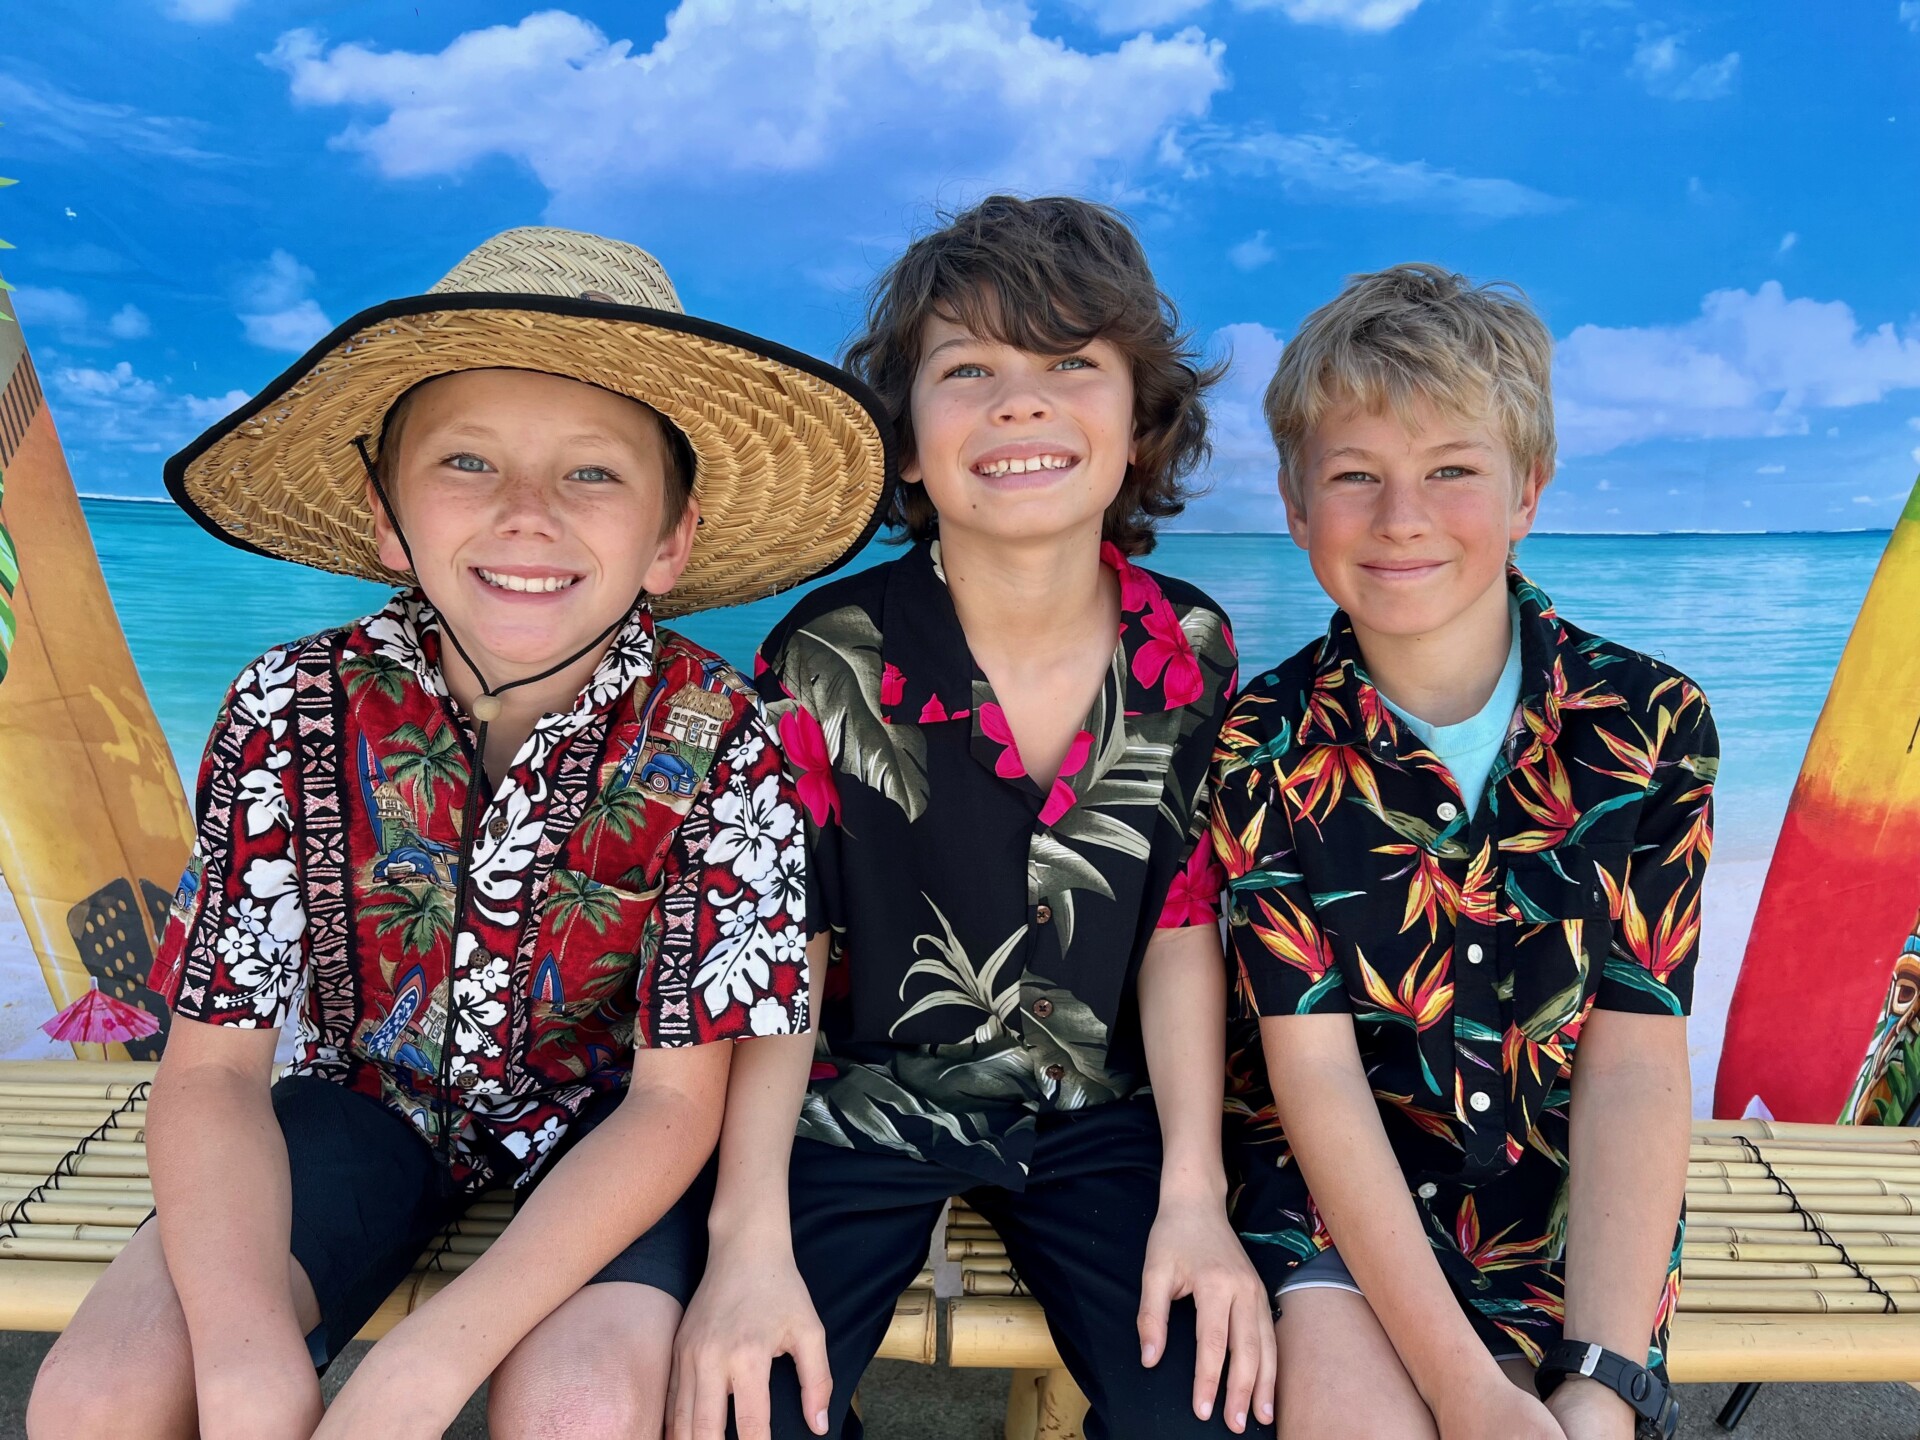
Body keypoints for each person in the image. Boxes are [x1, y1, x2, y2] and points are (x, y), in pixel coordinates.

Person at [29, 227, 892, 1440]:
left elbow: (670, 1102)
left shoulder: (726, 735)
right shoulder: (286, 704)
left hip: (614, 1131)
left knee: (581, 1408)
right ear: (387, 516)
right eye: (468, 461)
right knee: (102, 1398)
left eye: (593, 473)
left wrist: (423, 1366)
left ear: (670, 538)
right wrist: (244, 1352)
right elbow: (214, 1069)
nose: (527, 515)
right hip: (365, 1102)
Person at [667, 194, 1274, 1440]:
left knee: (1214, 1405)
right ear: (905, 443)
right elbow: (787, 953)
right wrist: (746, 1236)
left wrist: (1196, 1197)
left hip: (1107, 1117)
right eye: (967, 371)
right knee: (738, 1409)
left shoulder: (1190, 648)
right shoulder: (825, 656)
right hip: (859, 1103)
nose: (1019, 405)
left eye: (1071, 364)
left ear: (1140, 424)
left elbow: (1178, 926)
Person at [1214, 263, 1715, 1440]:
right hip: (1334, 1194)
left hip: (1565, 1204)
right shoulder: (1258, 745)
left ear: (1527, 490)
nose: (1402, 516)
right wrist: (1466, 1391)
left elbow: (1635, 1064)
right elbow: (1315, 1077)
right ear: (1295, 505)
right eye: (1355, 475)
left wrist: (1600, 1376)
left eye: (1451, 470)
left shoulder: (1653, 724)